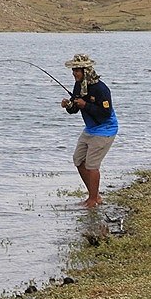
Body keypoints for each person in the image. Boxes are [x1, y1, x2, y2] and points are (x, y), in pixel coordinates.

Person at [60, 54, 118, 208]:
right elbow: (75, 109)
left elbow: (105, 114)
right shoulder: (78, 85)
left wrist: (85, 105)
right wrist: (69, 106)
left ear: (86, 70)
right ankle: (94, 196)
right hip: (90, 129)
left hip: (105, 129)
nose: (74, 73)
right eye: (73, 70)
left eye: (77, 70)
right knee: (79, 160)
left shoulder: (101, 89)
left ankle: (93, 200)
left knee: (92, 165)